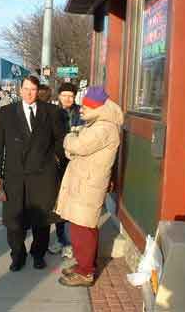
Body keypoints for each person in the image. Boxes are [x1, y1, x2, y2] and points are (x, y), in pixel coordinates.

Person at [0, 75, 66, 272]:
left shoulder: (51, 112)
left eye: (33, 89)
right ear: (20, 90)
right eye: (26, 89)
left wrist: (57, 164)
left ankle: (38, 254)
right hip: (15, 175)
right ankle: (17, 255)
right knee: (13, 221)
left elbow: (61, 142)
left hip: (43, 175)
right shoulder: (6, 112)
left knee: (42, 221)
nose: (29, 93)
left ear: (38, 90)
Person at [55, 86, 123, 287]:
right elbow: (75, 150)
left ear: (99, 108)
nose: (82, 109)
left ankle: (86, 272)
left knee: (83, 228)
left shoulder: (103, 128)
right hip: (84, 181)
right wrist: (74, 143)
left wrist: (68, 137)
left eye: (87, 106)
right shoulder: (96, 125)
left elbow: (78, 146)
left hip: (89, 184)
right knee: (80, 227)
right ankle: (83, 265)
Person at [48, 82, 85, 257]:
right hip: (58, 164)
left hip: (77, 163)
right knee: (59, 202)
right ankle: (61, 239)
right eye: (64, 95)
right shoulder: (53, 113)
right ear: (59, 96)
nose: (67, 99)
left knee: (75, 202)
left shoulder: (82, 113)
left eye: (70, 95)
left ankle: (72, 242)